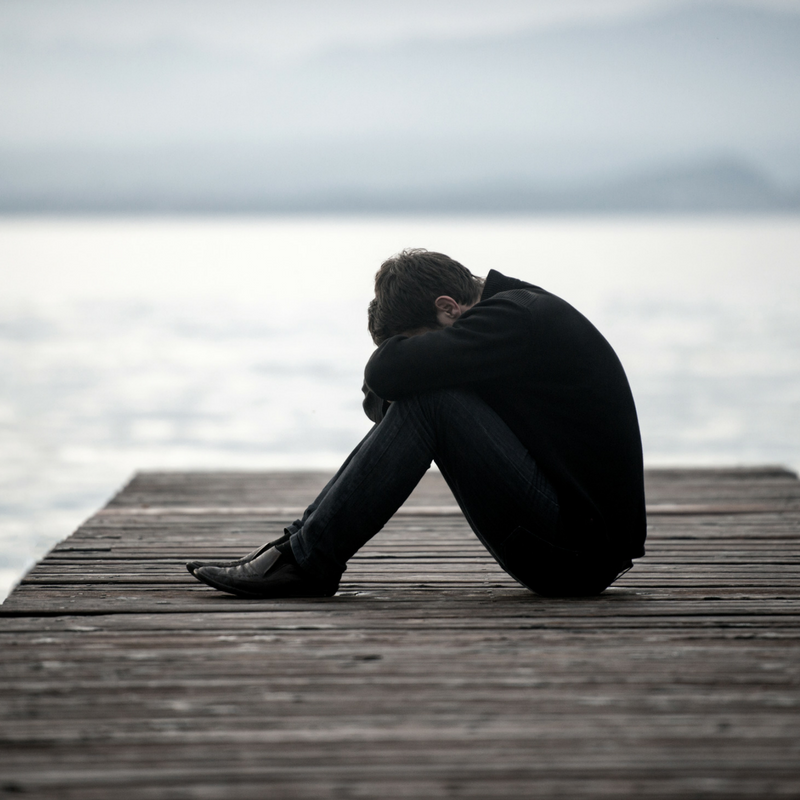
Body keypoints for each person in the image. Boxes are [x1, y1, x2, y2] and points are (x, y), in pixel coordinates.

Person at [187, 249, 646, 598]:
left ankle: (305, 560)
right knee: (428, 398)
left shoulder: (519, 317)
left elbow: (387, 375)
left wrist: (409, 375)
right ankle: (300, 550)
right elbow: (385, 395)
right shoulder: (508, 321)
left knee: (431, 400)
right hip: (564, 548)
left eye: (419, 343)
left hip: (576, 557)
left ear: (449, 307)